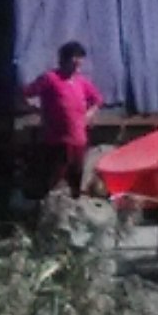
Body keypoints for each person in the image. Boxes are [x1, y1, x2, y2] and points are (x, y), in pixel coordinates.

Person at [23, 41, 104, 198]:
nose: (77, 67)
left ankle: (72, 211)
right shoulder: (50, 78)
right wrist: (36, 110)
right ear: (64, 60)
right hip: (57, 140)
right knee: (54, 178)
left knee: (76, 179)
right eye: (74, 62)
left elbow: (98, 100)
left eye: (80, 63)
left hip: (79, 140)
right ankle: (48, 211)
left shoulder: (81, 81)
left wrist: (89, 114)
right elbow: (26, 93)